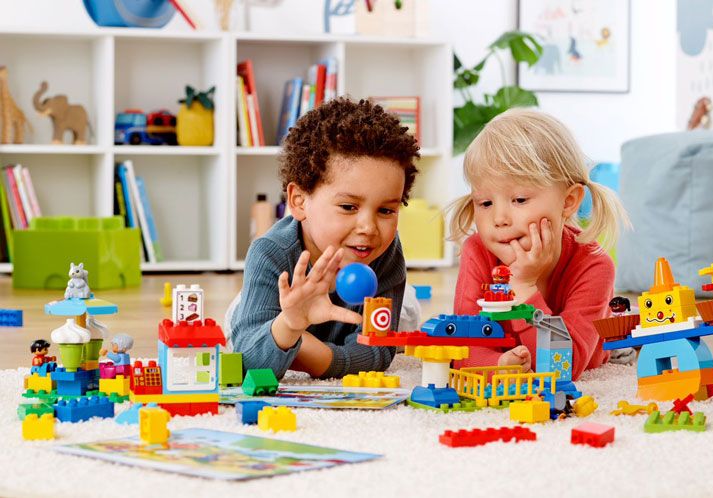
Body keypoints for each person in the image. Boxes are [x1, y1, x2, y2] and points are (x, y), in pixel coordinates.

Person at [228, 97, 420, 380]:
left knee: (407, 316)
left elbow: (377, 353)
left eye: (386, 210)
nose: (369, 228)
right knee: (241, 329)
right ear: (299, 201)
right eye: (348, 207)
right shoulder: (270, 253)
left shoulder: (386, 252)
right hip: (273, 313)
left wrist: (309, 353)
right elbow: (250, 361)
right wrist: (290, 325)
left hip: (326, 334)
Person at [450, 108, 630, 380]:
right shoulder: (477, 251)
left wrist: (523, 288)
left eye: (520, 200)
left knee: (615, 334)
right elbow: (462, 347)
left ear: (568, 201)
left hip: (586, 351)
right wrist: (497, 364)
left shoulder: (594, 265)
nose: (499, 218)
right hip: (509, 354)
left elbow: (564, 367)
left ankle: (616, 332)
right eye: (485, 203)